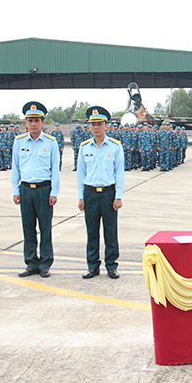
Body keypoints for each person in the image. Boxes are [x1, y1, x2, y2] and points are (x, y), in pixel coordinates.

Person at [12, 102, 61, 278]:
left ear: (42, 122)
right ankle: (31, 263)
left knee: (45, 228)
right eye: (30, 120)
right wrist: (15, 190)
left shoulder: (50, 142)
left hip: (43, 189)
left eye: (36, 120)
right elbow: (15, 168)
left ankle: (45, 263)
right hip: (25, 189)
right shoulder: (19, 142)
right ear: (26, 122)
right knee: (28, 228)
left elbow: (55, 168)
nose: (33, 124)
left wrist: (54, 191)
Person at [77, 106, 125, 279]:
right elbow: (81, 174)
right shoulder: (84, 147)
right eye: (93, 124)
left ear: (106, 125)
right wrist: (81, 197)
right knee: (92, 231)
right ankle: (92, 266)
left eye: (99, 124)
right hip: (90, 193)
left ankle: (111, 265)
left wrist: (118, 196)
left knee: (110, 231)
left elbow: (119, 173)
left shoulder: (115, 146)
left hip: (108, 193)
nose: (96, 127)